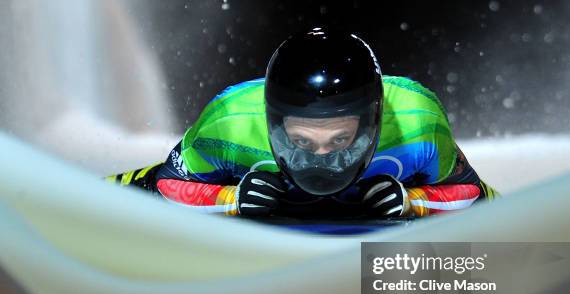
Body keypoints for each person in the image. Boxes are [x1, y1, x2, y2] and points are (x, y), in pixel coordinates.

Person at [107, 28, 498, 219]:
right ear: (272, 122)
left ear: (374, 121)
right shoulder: (230, 121)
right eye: (303, 142)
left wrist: (413, 200)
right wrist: (229, 198)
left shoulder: (417, 120)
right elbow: (162, 184)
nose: (323, 160)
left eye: (341, 139)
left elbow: (471, 192)